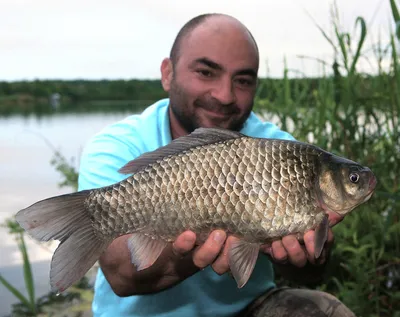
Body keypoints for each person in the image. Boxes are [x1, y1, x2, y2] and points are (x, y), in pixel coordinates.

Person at [78, 13, 356, 317]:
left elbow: (311, 275)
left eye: (243, 80)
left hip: (249, 308)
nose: (225, 95)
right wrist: (198, 243)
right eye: (206, 72)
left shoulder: (281, 151)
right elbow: (121, 275)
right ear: (167, 73)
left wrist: (310, 255)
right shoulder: (116, 146)